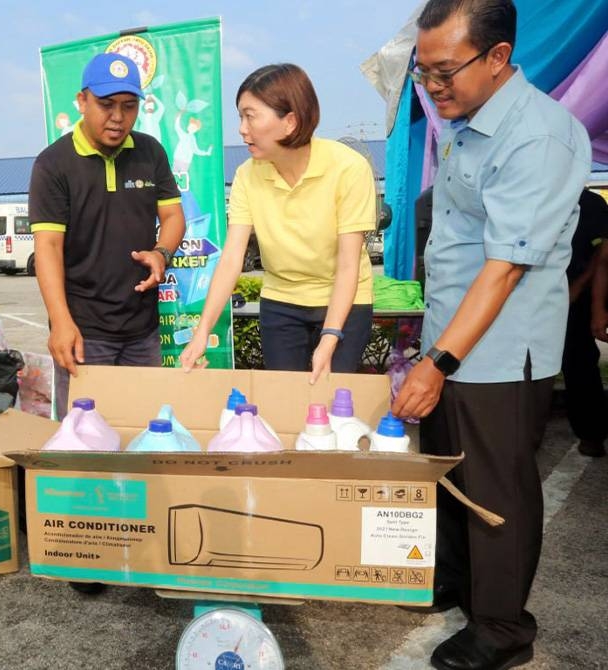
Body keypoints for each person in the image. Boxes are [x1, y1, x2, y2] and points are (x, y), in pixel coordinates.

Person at [390, 1, 591, 669]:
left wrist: (435, 364)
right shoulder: (471, 123)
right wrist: (434, 353)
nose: (433, 85)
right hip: (452, 343)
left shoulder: (535, 136)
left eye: (445, 70)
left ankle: (502, 631)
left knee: (495, 493)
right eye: (424, 71)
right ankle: (456, 583)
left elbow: (503, 270)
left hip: (499, 356)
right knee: (448, 476)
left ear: (498, 57)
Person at [179, 63, 376, 383]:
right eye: (240, 117)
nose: (242, 129)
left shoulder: (348, 168)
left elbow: (348, 264)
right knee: (287, 399)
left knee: (331, 398)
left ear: (290, 121)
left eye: (250, 115)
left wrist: (330, 335)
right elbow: (231, 260)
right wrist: (202, 332)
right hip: (281, 302)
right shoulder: (246, 174)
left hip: (345, 302)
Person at [29, 52, 186, 421]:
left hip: (142, 330)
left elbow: (173, 215)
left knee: (144, 431)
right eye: (106, 104)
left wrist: (162, 252)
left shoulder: (150, 152)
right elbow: (48, 246)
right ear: (82, 101)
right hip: (84, 332)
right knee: (85, 440)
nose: (118, 117)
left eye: (129, 106)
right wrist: (61, 322)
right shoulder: (53, 164)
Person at [563, 188, 608, 458]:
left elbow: (602, 254)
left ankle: (592, 434)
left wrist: (580, 291)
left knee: (578, 362)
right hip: (538, 296)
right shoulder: (537, 195)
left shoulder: (589, 203)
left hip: (576, 297)